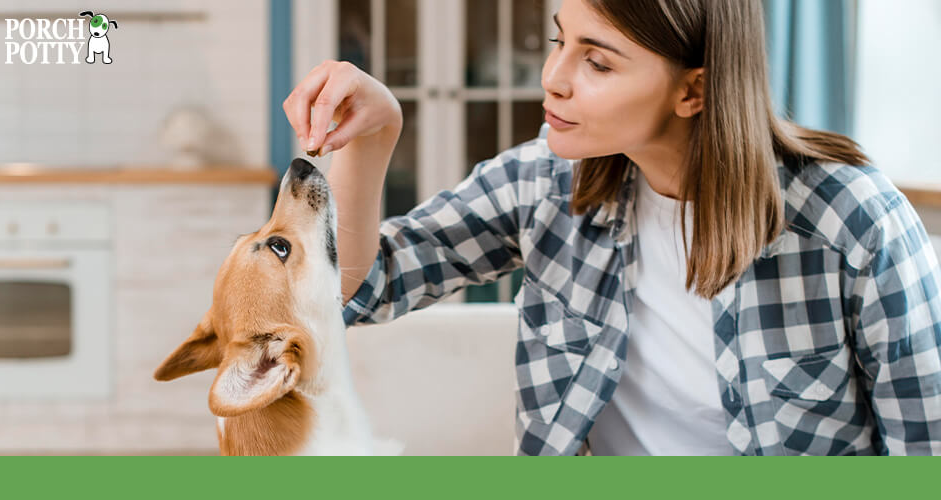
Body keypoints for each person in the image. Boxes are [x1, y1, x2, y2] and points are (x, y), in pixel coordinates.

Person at [282, 0, 941, 455]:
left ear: (694, 91)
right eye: (558, 41)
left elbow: (924, 451)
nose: (553, 79)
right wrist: (374, 140)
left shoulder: (851, 222)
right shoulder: (540, 185)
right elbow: (354, 292)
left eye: (597, 62)